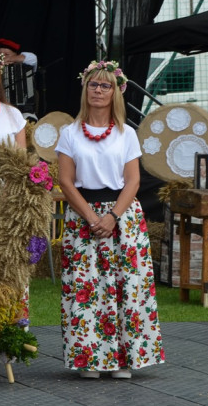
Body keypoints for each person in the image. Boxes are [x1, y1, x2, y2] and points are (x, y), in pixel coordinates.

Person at [55, 60, 164, 379]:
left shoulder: (126, 133)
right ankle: (90, 358)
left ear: (116, 92)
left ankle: (125, 359)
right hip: (83, 215)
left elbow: (133, 181)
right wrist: (91, 217)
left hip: (123, 217)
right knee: (86, 288)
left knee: (127, 286)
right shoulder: (70, 133)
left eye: (105, 85)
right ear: (84, 89)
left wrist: (113, 216)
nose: (98, 90)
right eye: (93, 84)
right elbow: (65, 180)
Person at [0, 37, 38, 117]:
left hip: (23, 111)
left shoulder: (25, 65)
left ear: (16, 55)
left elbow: (33, 58)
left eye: (7, 54)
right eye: (0, 54)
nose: (3, 57)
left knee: (29, 119)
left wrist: (11, 59)